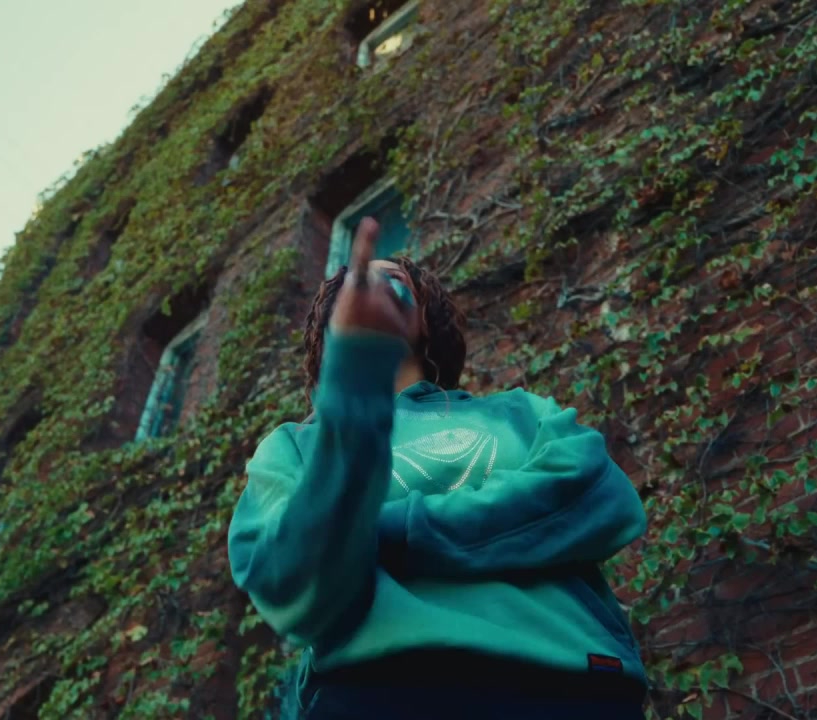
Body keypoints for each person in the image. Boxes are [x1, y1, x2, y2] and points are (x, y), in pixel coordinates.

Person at [227, 217, 649, 719]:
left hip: (568, 681)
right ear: (333, 325)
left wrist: (384, 529)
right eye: (359, 284)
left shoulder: (518, 412)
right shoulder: (294, 447)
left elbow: (598, 497)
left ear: (424, 314)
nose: (376, 289)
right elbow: (291, 581)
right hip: (375, 693)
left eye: (394, 282)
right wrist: (356, 384)